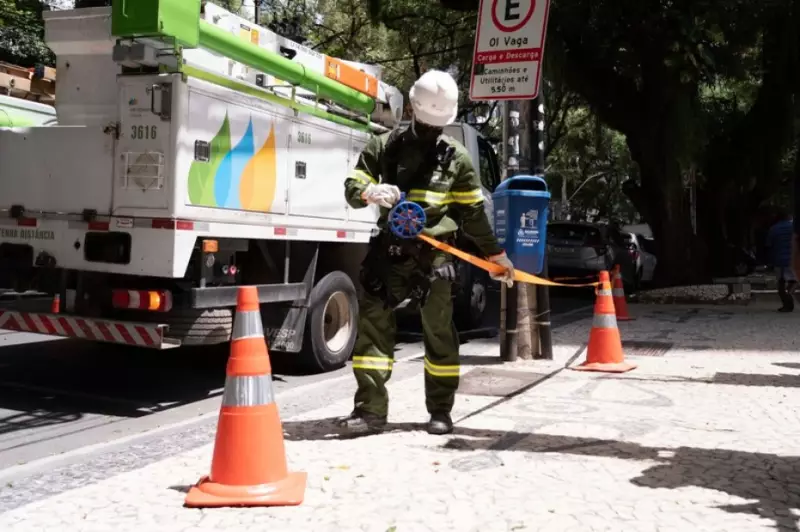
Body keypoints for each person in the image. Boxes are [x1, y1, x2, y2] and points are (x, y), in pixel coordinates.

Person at [340, 70, 514, 435]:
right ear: (414, 111)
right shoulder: (383, 146)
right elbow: (353, 186)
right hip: (388, 255)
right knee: (373, 332)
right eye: (428, 121)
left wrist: (494, 256)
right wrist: (370, 193)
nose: (432, 129)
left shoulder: (458, 159)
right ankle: (370, 410)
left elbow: (472, 215)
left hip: (435, 260)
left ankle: (440, 411)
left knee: (439, 333)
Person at [765, 210, 796, 312]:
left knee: (781, 281)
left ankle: (786, 304)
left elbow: (768, 245)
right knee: (794, 279)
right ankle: (790, 292)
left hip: (779, 260)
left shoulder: (774, 229)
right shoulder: (794, 227)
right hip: (794, 258)